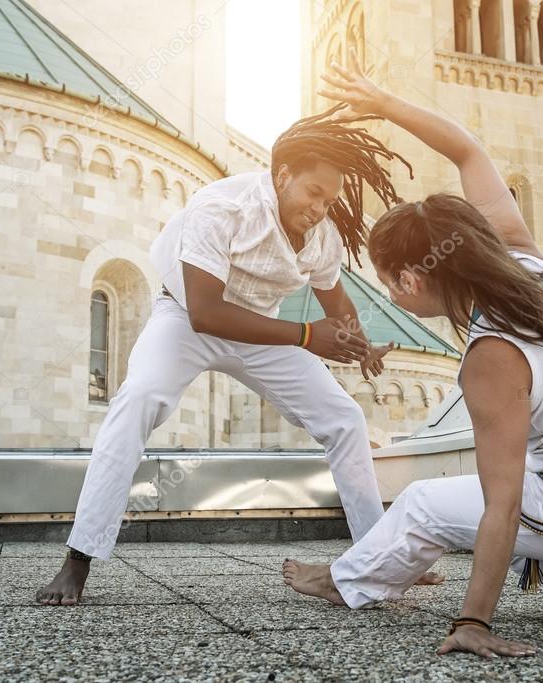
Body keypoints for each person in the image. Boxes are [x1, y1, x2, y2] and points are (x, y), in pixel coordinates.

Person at [283, 54, 543, 658]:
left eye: (389, 280)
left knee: (423, 503)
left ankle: (345, 581)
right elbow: (468, 152)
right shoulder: (525, 259)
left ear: (412, 281)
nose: (388, 293)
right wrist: (384, 103)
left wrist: (473, 622)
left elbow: (505, 503)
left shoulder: (490, 356)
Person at [36, 108, 445, 605]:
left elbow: (335, 301)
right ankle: (79, 558)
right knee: (139, 398)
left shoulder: (323, 234)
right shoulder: (222, 206)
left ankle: (379, 554)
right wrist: (304, 336)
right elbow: (207, 313)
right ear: (283, 175)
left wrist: (358, 345)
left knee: (344, 418)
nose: (320, 208)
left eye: (330, 199)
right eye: (313, 194)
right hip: (186, 319)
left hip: (261, 329)